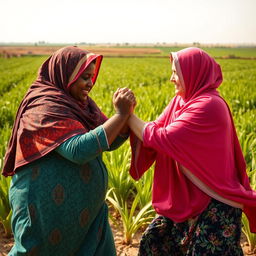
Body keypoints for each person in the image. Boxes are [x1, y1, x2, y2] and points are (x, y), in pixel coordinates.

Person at [2, 46, 136, 256]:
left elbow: (106, 141)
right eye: (84, 77)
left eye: (92, 77)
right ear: (65, 74)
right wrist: (120, 115)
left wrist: (126, 122)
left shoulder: (82, 106)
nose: (90, 83)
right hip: (44, 212)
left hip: (86, 213)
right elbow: (78, 150)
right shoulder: (43, 108)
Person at [127, 47, 256, 255]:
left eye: (176, 72)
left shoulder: (209, 105)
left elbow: (163, 137)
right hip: (185, 198)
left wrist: (128, 116)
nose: (171, 78)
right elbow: (155, 130)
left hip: (213, 200)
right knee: (154, 243)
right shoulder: (182, 100)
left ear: (193, 72)